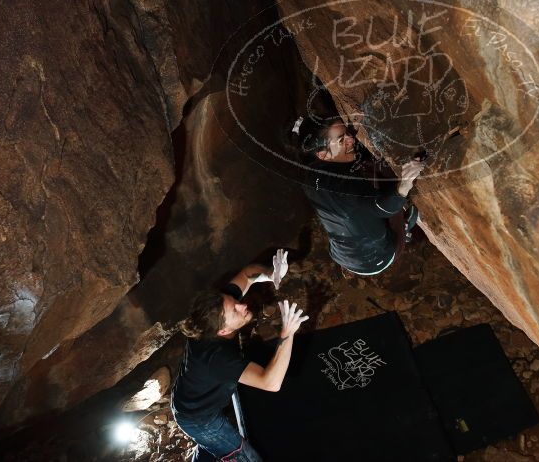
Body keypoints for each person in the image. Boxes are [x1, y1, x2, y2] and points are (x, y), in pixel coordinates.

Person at [171, 250, 308, 462]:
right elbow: (270, 382)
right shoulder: (218, 358)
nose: (242, 304)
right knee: (246, 457)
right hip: (199, 419)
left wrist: (270, 274)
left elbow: (246, 274)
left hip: (189, 399)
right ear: (223, 331)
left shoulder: (215, 313)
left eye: (234, 300)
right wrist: (287, 334)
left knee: (209, 445)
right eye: (235, 311)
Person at [293, 115, 425, 276]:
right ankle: (404, 227)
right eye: (341, 140)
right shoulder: (349, 189)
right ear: (322, 155)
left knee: (366, 173)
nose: (351, 139)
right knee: (392, 194)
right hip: (378, 258)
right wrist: (405, 184)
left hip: (341, 256)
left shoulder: (309, 175)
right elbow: (385, 208)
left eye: (347, 133)